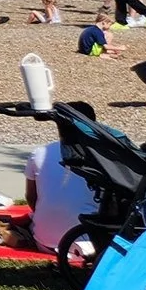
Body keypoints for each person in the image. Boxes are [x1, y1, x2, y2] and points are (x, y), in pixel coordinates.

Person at [24, 103, 104, 258]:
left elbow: (31, 198)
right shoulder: (104, 157)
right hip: (91, 243)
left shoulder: (40, 153)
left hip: (45, 241)